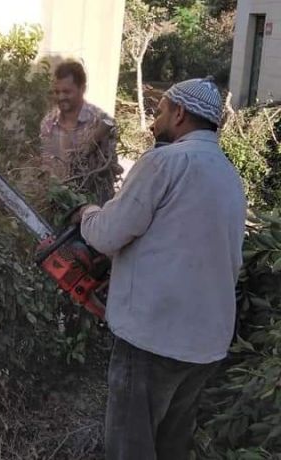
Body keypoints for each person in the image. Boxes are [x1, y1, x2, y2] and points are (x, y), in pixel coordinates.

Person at [73, 77, 247, 460]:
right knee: (170, 446)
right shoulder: (229, 176)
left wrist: (87, 214)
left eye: (160, 112)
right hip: (205, 345)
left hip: (153, 340)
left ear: (180, 113)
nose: (154, 123)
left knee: (130, 447)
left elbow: (106, 235)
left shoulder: (165, 162)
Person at [40, 59, 123, 205]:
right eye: (57, 91)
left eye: (66, 92)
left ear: (82, 89)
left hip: (92, 207)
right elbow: (46, 165)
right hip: (59, 203)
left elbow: (108, 173)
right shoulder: (48, 123)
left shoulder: (100, 123)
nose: (60, 97)